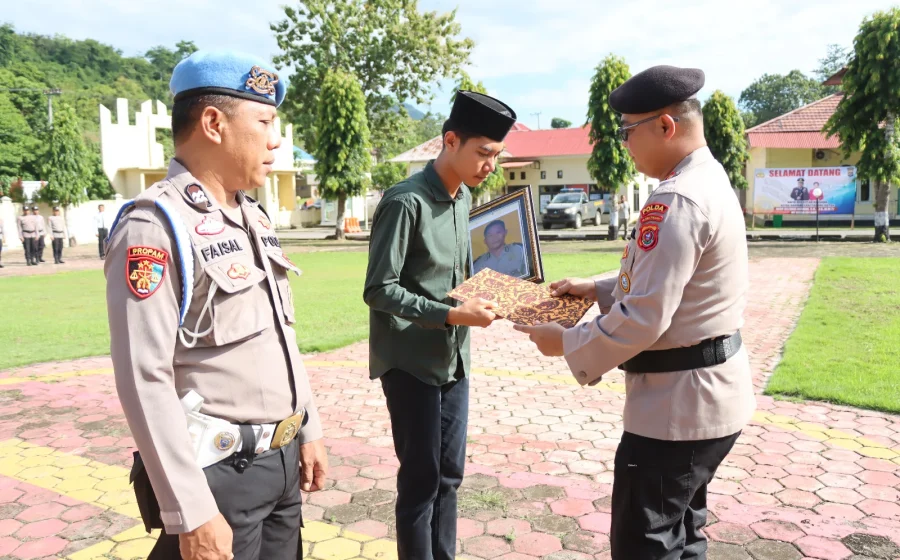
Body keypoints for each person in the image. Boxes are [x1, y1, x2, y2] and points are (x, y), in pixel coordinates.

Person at [514, 65, 755, 560]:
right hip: (707, 396)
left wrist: (566, 342)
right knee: (685, 535)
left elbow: (646, 317)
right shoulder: (706, 181)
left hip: (675, 411)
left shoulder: (677, 200)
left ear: (666, 126)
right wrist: (597, 288)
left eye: (627, 130)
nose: (623, 143)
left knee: (645, 544)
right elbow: (672, 282)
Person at [104, 49, 328, 560]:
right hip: (219, 477)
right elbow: (145, 378)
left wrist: (307, 428)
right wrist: (190, 509)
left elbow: (281, 337)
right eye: (266, 121)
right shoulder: (154, 226)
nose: (276, 140)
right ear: (213, 123)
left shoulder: (252, 216)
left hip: (281, 465)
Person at [363, 90, 517, 560]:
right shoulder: (404, 202)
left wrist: (509, 295)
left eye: (497, 155)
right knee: (420, 481)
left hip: (454, 362)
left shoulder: (464, 197)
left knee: (449, 477)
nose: (490, 165)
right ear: (450, 141)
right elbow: (379, 290)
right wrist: (451, 314)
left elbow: (463, 279)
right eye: (483, 153)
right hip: (411, 363)